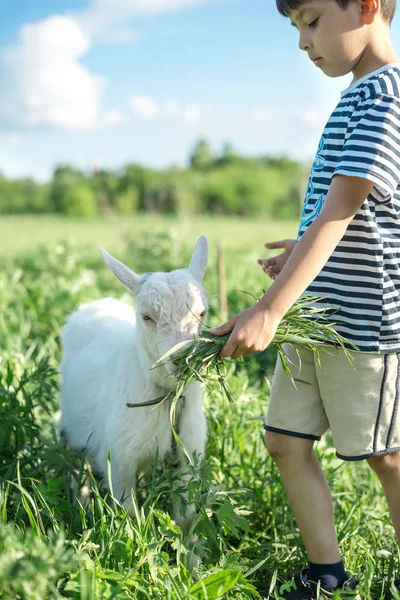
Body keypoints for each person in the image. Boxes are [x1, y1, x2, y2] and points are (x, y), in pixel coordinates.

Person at [209, 0, 400, 597]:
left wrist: (270, 307)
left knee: (386, 456)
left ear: (368, 6)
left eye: (312, 21)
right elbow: (348, 218)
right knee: (284, 441)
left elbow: (340, 212)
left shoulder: (387, 96)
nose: (302, 42)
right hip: (318, 316)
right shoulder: (355, 94)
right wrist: (299, 258)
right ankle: (327, 574)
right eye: (295, 27)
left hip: (365, 324)